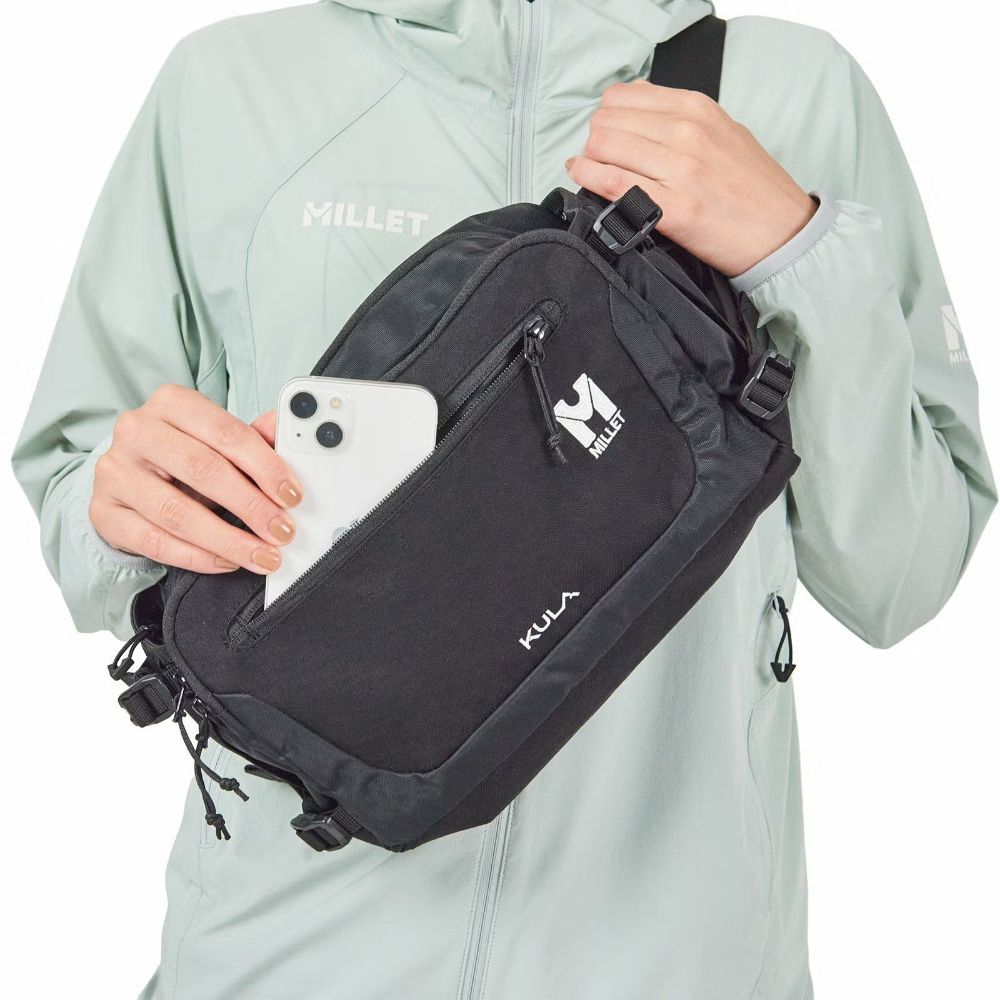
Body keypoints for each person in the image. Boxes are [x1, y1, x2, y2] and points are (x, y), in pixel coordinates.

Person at [11, 2, 995, 998]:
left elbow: (900, 577)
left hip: (673, 963)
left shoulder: (796, 89)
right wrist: (119, 508)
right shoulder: (228, 84)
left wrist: (801, 255)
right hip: (286, 956)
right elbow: (77, 478)